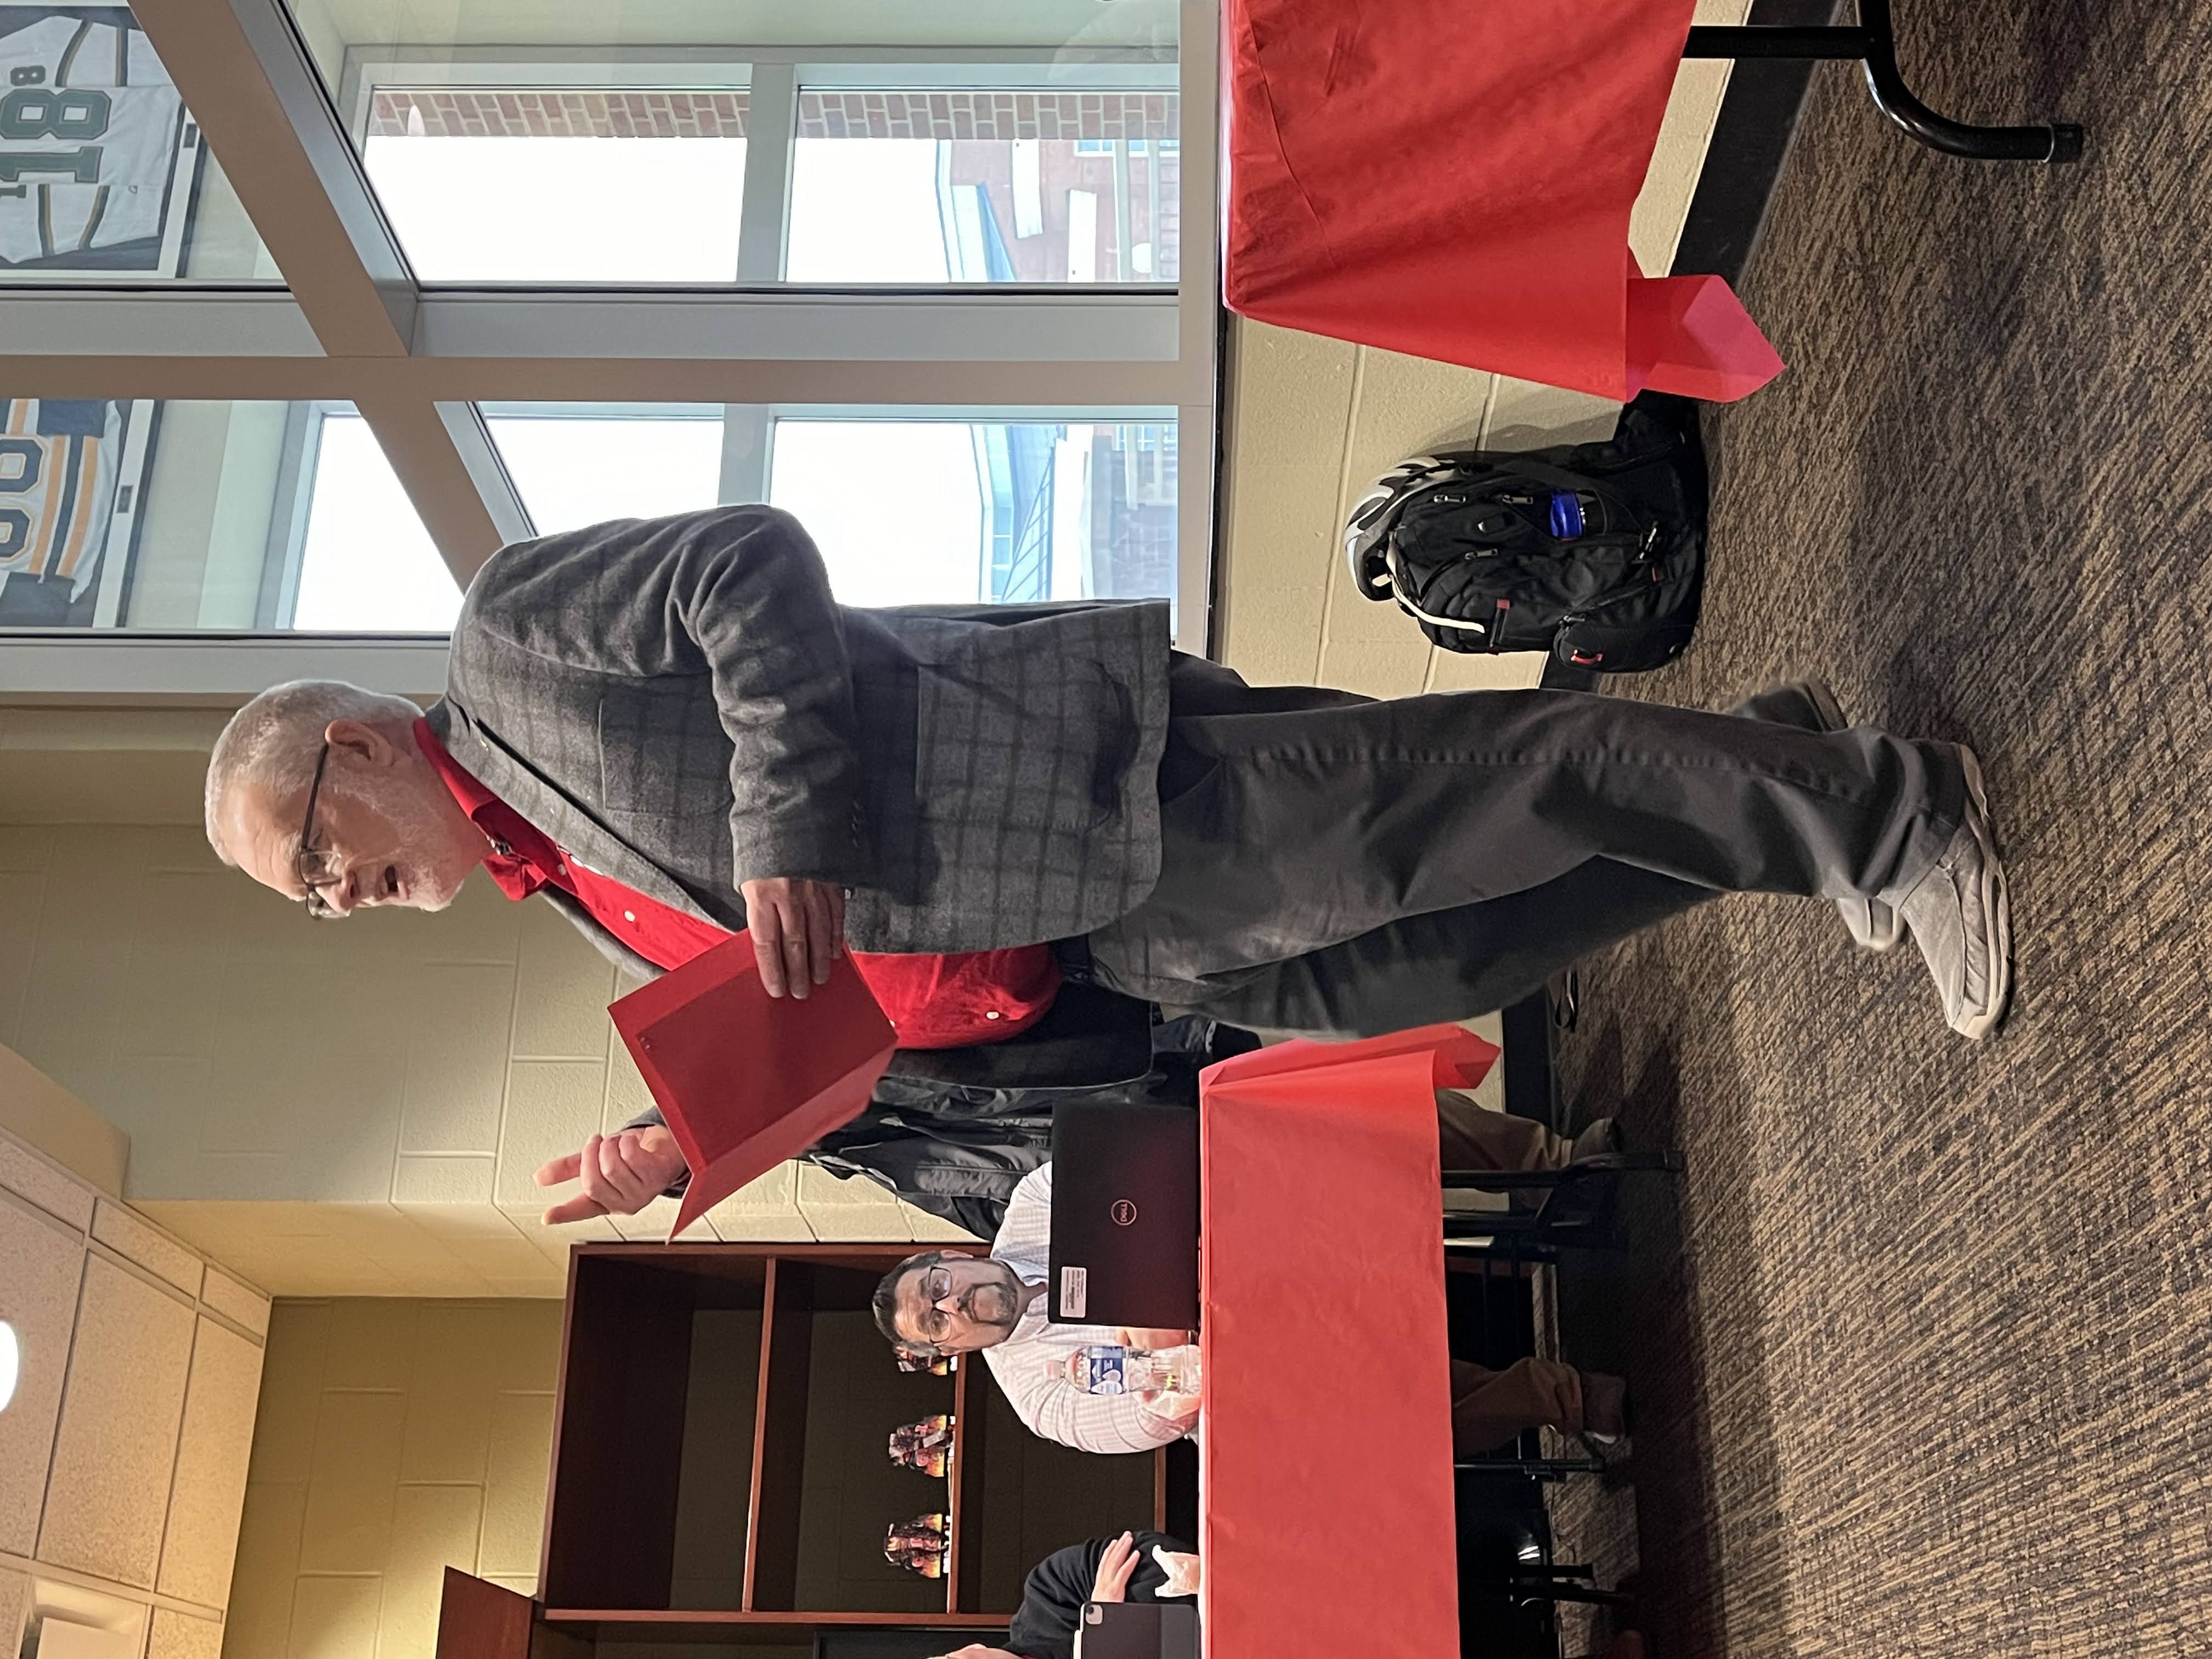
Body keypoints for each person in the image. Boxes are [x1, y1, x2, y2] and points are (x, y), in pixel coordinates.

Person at [201, 507, 2008, 1203]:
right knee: (1457, 953)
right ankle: (1773, 776)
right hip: (1090, 961)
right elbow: (818, 985)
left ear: (350, 747)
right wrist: (687, 1132)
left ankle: (1891, 811)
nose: (336, 893)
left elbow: (748, 567)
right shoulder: (555, 888)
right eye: (310, 902)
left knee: (1476, 794)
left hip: (1080, 802)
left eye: (313, 848)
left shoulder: (507, 641)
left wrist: (784, 828)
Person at [871, 1149, 1631, 1458]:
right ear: (948, 1352)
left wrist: (1148, 1322)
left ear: (950, 1259)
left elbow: (1126, 1161)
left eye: (936, 1287)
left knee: (1341, 1120)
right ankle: (1555, 1396)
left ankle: (1555, 1167)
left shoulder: (1031, 1208)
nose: (953, 1306)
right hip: (1256, 1375)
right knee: (1367, 1429)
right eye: (937, 1324)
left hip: (1257, 1237)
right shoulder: (1038, 1399)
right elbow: (1158, 1413)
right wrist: (1163, 1340)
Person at [935, 1530, 1198, 1659]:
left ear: (972, 1649)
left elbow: (1157, 1560)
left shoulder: (1048, 1591)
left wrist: (1109, 1619)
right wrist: (1105, 1640)